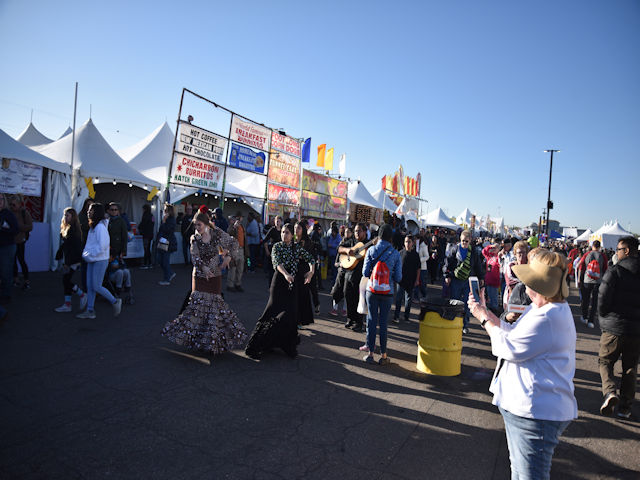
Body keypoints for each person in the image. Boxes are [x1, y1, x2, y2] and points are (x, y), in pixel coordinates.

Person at [468, 250, 577, 479]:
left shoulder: (547, 316)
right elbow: (512, 334)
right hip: (531, 408)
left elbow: (508, 347)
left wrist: (483, 317)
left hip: (535, 411)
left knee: (529, 475)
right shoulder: (545, 309)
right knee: (521, 471)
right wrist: (487, 312)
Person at [162, 211, 247, 355]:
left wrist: (228, 258)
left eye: (199, 225)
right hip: (200, 276)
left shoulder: (217, 234)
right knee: (197, 308)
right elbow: (194, 257)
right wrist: (204, 267)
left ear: (206, 224)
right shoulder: (194, 237)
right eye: (195, 225)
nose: (197, 227)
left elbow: (234, 243)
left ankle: (211, 342)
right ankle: (194, 339)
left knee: (214, 308)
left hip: (215, 276)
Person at [245, 223, 315, 360]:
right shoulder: (277, 247)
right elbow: (277, 263)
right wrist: (286, 274)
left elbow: (311, 259)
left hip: (292, 285)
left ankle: (285, 345)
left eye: (287, 232)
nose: (284, 235)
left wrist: (311, 272)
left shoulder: (297, 248)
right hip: (279, 283)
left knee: (291, 314)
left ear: (292, 235)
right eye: (283, 232)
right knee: (272, 312)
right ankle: (255, 346)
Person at [597, 236, 640, 419]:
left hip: (614, 327)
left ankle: (610, 392)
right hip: (636, 330)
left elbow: (603, 299)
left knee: (605, 361)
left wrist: (604, 317)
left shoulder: (615, 271)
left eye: (619, 249)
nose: (617, 252)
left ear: (627, 250)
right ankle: (625, 407)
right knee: (630, 367)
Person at [361, 224, 401, 365]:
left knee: (371, 321)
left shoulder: (371, 250)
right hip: (387, 292)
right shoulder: (396, 254)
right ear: (391, 237)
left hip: (371, 291)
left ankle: (370, 354)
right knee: (383, 323)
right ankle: (383, 356)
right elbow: (398, 278)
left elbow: (365, 273)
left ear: (378, 235)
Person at [76, 203, 122, 319]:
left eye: (91, 210)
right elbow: (92, 244)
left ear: (96, 212)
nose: (88, 212)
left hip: (99, 260)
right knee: (90, 286)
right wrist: (88, 255)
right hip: (93, 258)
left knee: (96, 286)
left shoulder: (100, 227)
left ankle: (114, 301)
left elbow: (102, 245)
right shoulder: (94, 226)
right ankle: (90, 310)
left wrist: (89, 255)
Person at [444, 230, 485, 334]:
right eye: (462, 241)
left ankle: (464, 325)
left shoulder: (474, 252)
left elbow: (478, 266)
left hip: (468, 281)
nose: (464, 243)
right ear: (460, 240)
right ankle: (453, 323)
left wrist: (481, 278)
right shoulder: (454, 249)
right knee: (455, 302)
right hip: (456, 280)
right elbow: (447, 263)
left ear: (470, 240)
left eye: (466, 241)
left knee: (467, 304)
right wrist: (447, 275)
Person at [54, 208, 87, 312]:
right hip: (69, 258)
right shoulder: (67, 228)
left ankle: (81, 294)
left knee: (66, 280)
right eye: (64, 215)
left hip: (73, 259)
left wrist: (68, 263)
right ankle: (68, 304)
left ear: (73, 217)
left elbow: (75, 247)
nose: (65, 217)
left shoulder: (74, 230)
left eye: (67, 215)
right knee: (66, 280)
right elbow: (66, 245)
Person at [337, 223, 368, 332]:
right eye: (355, 231)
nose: (357, 233)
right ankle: (350, 319)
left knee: (358, 299)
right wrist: (347, 250)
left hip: (361, 276)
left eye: (359, 231)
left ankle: (359, 322)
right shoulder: (352, 242)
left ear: (365, 232)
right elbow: (339, 248)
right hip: (349, 274)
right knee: (347, 295)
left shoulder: (367, 244)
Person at [578, 240, 608, 328]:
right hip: (598, 281)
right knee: (595, 301)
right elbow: (605, 268)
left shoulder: (587, 254)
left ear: (592, 246)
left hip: (587, 280)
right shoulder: (603, 255)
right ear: (599, 247)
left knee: (585, 299)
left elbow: (581, 266)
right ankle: (591, 321)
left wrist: (580, 279)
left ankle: (584, 317)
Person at [393, 235, 420, 324]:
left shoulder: (415, 255)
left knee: (408, 300)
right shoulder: (400, 253)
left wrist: (417, 279)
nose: (407, 244)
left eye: (409, 242)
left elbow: (418, 268)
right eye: (406, 242)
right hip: (401, 280)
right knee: (398, 299)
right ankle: (396, 316)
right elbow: (395, 266)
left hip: (411, 280)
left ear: (412, 243)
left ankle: (406, 317)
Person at [295, 221, 318, 323]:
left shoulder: (307, 241)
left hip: (305, 270)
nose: (296, 230)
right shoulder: (292, 240)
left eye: (298, 228)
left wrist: (311, 272)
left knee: (305, 295)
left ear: (303, 229)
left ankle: (302, 319)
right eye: (295, 227)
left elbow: (311, 258)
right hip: (294, 270)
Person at [9, 195, 32, 290]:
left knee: (21, 260)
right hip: (10, 241)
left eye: (13, 204)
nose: (12, 206)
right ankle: (15, 279)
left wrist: (18, 226)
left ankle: (26, 280)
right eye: (10, 204)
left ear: (19, 204)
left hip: (20, 241)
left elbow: (30, 227)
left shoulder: (24, 213)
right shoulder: (9, 212)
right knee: (13, 261)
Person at [0, 193, 19, 304]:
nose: (0, 202)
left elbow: (16, 230)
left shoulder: (8, 214)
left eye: (1, 199)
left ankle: (6, 294)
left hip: (7, 247)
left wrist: (3, 229)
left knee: (6, 271)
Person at [330, 225, 352, 317]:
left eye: (349, 232)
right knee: (336, 291)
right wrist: (340, 264)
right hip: (341, 272)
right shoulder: (341, 245)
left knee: (346, 292)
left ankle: (345, 310)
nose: (347, 233)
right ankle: (334, 309)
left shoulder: (353, 245)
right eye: (346, 232)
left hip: (349, 272)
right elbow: (336, 263)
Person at [157, 203, 178, 286]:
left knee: (165, 261)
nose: (164, 211)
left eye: (165, 210)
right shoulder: (167, 219)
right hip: (163, 242)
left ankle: (167, 278)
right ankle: (170, 273)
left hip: (168, 243)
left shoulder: (171, 219)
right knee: (161, 260)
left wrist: (164, 222)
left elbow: (167, 230)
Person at [226, 212, 247, 292]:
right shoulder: (232, 227)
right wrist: (234, 227)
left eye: (241, 217)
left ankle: (238, 283)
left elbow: (244, 239)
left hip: (241, 249)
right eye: (238, 217)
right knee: (233, 268)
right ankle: (230, 285)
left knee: (240, 268)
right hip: (234, 250)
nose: (240, 219)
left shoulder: (242, 227)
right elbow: (229, 233)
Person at [262, 215, 283, 286]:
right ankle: (270, 285)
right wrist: (267, 250)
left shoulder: (283, 231)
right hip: (273, 251)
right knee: (272, 270)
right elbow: (265, 240)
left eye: (279, 221)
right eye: (276, 221)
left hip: (281, 252)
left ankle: (277, 285)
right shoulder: (272, 229)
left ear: (281, 222)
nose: (277, 222)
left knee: (279, 269)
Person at [482, 243, 501, 312]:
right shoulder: (490, 256)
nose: (493, 249)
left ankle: (495, 311)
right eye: (493, 248)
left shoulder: (498, 257)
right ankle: (491, 309)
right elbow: (483, 251)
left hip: (495, 280)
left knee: (494, 297)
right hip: (488, 280)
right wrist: (491, 246)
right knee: (489, 296)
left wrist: (498, 253)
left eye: (495, 248)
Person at [138, 204, 155, 269]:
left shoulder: (145, 215)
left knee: (146, 249)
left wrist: (139, 228)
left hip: (146, 235)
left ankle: (145, 264)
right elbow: (153, 224)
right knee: (148, 249)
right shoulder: (152, 216)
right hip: (151, 234)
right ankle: (150, 263)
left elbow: (142, 224)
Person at [415, 233, 429, 300]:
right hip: (416, 267)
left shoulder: (424, 246)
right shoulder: (416, 246)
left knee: (422, 283)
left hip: (422, 268)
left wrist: (419, 260)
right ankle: (416, 297)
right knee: (416, 282)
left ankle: (424, 295)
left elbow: (427, 256)